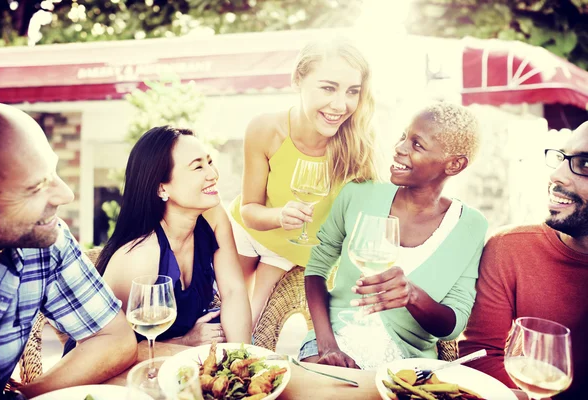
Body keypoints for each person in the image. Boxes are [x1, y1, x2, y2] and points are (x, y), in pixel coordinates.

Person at [301, 102, 487, 369]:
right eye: (403, 137)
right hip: (334, 340)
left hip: (407, 362)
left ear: (455, 164)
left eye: (417, 145)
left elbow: (453, 325)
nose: (399, 148)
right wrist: (327, 345)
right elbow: (316, 268)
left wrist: (412, 295)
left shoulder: (470, 226)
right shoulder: (358, 193)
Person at [0, 102, 137, 398]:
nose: (65, 194)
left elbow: (113, 338)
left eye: (53, 171)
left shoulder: (45, 240)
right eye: (35, 187)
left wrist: (27, 395)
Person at [229, 37, 379, 329]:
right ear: (298, 79)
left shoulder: (360, 145)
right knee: (229, 321)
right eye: (328, 87)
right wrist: (279, 215)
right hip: (250, 233)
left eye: (352, 91)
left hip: (297, 252)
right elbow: (249, 207)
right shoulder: (265, 129)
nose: (340, 104)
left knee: (254, 328)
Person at [459, 123, 588, 399]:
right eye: (562, 158)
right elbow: (479, 356)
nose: (556, 175)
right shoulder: (510, 248)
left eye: (585, 164)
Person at [94, 126, 251, 347]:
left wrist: (241, 360)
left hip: (178, 362)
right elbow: (105, 348)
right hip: (124, 369)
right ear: (161, 188)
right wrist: (183, 342)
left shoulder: (212, 216)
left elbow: (233, 291)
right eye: (197, 167)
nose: (212, 174)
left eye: (209, 162)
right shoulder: (140, 257)